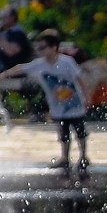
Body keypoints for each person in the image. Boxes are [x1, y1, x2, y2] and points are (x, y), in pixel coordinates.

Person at [27, 29, 89, 174]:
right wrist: (4, 75)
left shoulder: (66, 62)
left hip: (75, 105)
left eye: (43, 47)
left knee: (80, 131)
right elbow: (21, 68)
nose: (40, 50)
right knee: (63, 133)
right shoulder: (40, 64)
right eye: (38, 47)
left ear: (54, 47)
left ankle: (83, 157)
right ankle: (65, 158)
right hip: (58, 108)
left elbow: (80, 78)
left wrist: (86, 96)